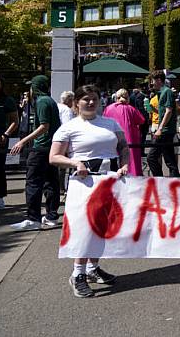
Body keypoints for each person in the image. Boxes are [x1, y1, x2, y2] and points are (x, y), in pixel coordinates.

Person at [49, 85, 131, 297]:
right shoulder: (68, 127)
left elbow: (123, 147)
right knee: (84, 229)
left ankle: (93, 269)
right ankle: (78, 273)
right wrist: (75, 162)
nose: (91, 103)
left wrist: (124, 164)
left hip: (110, 181)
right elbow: (54, 157)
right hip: (84, 184)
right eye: (86, 99)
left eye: (94, 98)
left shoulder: (111, 123)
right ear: (77, 103)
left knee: (103, 226)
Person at [9, 75, 61, 231]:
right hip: (50, 147)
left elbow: (44, 126)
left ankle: (33, 218)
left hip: (40, 148)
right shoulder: (50, 100)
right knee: (51, 182)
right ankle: (51, 216)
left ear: (35, 87)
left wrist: (23, 141)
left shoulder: (42, 101)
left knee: (33, 183)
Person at [0, 75, 19, 213]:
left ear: (2, 85)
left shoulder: (7, 101)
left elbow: (15, 120)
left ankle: (0, 197)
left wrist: (6, 134)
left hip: (0, 138)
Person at [146, 70, 180, 178]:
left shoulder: (167, 92)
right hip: (166, 130)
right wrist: (152, 109)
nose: (151, 83)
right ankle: (174, 177)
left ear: (159, 80)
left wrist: (160, 129)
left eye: (152, 81)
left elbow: (169, 111)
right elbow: (163, 112)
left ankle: (159, 180)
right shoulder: (162, 93)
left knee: (151, 157)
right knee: (169, 159)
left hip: (165, 131)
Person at [103, 89, 146, 176]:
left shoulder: (108, 108)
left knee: (114, 164)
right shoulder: (131, 109)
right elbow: (141, 120)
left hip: (113, 140)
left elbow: (104, 120)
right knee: (131, 161)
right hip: (130, 140)